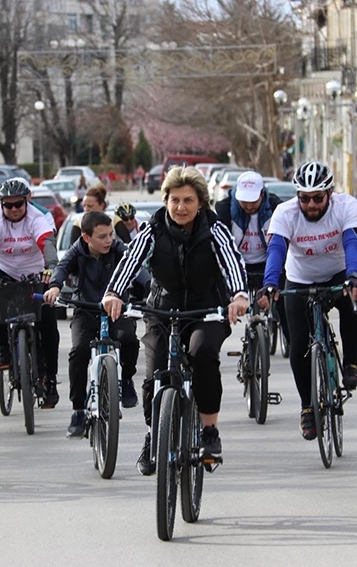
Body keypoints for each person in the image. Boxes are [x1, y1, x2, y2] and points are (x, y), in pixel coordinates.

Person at [101, 165, 248, 475]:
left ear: (201, 203)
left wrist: (238, 296)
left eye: (189, 200)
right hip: (162, 311)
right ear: (165, 200)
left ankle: (209, 431)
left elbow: (231, 261)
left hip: (205, 311)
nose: (181, 207)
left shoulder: (215, 229)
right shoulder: (152, 230)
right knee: (154, 375)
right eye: (175, 200)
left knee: (202, 354)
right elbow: (131, 261)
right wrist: (114, 292)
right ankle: (155, 434)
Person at [257, 161, 357, 442]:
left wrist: (355, 275)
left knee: (353, 305)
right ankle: (307, 407)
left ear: (330, 193)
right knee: (297, 343)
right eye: (304, 198)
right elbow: (277, 248)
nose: (311, 205)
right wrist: (270, 283)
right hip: (300, 280)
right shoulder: (286, 212)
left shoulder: (346, 206)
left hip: (339, 273)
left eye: (318, 198)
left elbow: (353, 242)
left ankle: (351, 364)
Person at [43, 211, 148, 437]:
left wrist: (150, 288)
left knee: (128, 339)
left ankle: (126, 379)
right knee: (79, 351)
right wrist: (54, 286)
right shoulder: (76, 251)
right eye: (102, 236)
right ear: (86, 237)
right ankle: (78, 411)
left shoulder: (119, 249)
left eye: (110, 234)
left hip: (116, 309)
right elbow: (61, 268)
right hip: (86, 311)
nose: (109, 240)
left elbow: (137, 269)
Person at [0, 177, 61, 408]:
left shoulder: (37, 218)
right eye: (8, 205)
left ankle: (50, 378)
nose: (13, 210)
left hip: (35, 271)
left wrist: (51, 267)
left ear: (26, 202)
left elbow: (47, 243)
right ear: (1, 205)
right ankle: (3, 347)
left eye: (18, 205)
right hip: (4, 269)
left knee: (49, 320)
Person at [215, 171, 288, 349]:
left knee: (285, 304)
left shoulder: (276, 207)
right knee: (217, 304)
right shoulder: (224, 209)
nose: (248, 206)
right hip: (238, 266)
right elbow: (219, 246)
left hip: (268, 264)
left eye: (253, 201)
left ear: (262, 194)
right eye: (244, 201)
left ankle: (293, 343)